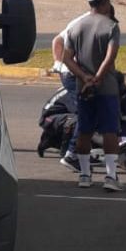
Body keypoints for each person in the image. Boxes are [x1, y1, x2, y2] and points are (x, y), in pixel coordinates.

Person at [62, 0, 123, 191]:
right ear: (105, 2)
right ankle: (111, 176)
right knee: (110, 131)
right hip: (106, 86)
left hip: (83, 87)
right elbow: (110, 55)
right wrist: (98, 77)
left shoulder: (76, 27)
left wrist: (84, 77)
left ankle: (85, 175)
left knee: (84, 131)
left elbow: (67, 59)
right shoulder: (111, 26)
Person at [51, 26, 80, 170]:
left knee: (87, 113)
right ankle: (72, 153)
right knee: (86, 114)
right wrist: (58, 64)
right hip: (74, 75)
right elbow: (57, 40)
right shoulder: (83, 21)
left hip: (76, 74)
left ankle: (74, 152)